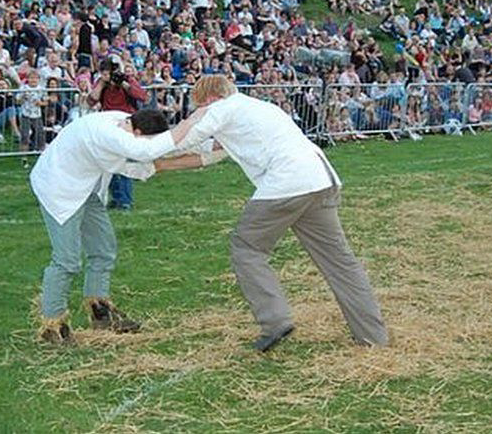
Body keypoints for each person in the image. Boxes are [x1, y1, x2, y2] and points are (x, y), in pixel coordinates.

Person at [173, 75, 389, 352]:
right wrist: (155, 166)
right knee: (340, 262)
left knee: (246, 247)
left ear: (210, 99)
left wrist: (137, 148)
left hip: (286, 183)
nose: (200, 111)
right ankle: (373, 336)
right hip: (320, 178)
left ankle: (274, 320)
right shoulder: (258, 109)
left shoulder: (221, 109)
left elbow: (182, 140)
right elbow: (206, 153)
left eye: (200, 106)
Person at [29, 108, 203, 344]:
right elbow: (145, 156)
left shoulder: (124, 122)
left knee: (103, 251)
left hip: (84, 188)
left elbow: (155, 151)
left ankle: (100, 311)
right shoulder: (110, 135)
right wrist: (190, 122)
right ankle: (53, 325)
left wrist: (210, 146)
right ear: (139, 132)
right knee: (66, 260)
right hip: (58, 188)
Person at [88, 57, 148, 210]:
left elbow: (142, 96)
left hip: (126, 123)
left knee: (123, 163)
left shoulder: (125, 80)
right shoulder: (103, 84)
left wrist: (124, 84)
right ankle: (116, 197)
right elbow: (91, 100)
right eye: (104, 74)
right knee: (110, 163)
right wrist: (101, 84)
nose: (108, 77)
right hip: (108, 123)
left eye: (109, 74)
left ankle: (125, 200)